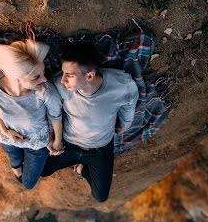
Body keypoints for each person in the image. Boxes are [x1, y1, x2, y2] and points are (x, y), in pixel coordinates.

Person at [41, 41, 139, 202]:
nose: (63, 80)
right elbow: (50, 112)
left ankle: (82, 169)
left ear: (89, 76)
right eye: (63, 72)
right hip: (69, 145)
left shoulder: (122, 85)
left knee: (100, 196)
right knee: (40, 170)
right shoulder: (59, 85)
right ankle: (75, 161)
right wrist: (52, 137)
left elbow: (129, 104)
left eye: (70, 75)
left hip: (99, 149)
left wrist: (125, 124)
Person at [0, 40, 64, 189]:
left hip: (37, 145)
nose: (44, 79)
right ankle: (16, 168)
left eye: (43, 72)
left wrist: (56, 141)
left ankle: (22, 173)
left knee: (28, 184)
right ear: (16, 77)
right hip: (8, 138)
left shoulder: (46, 92)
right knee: (13, 156)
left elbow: (56, 117)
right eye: (36, 77)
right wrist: (4, 130)